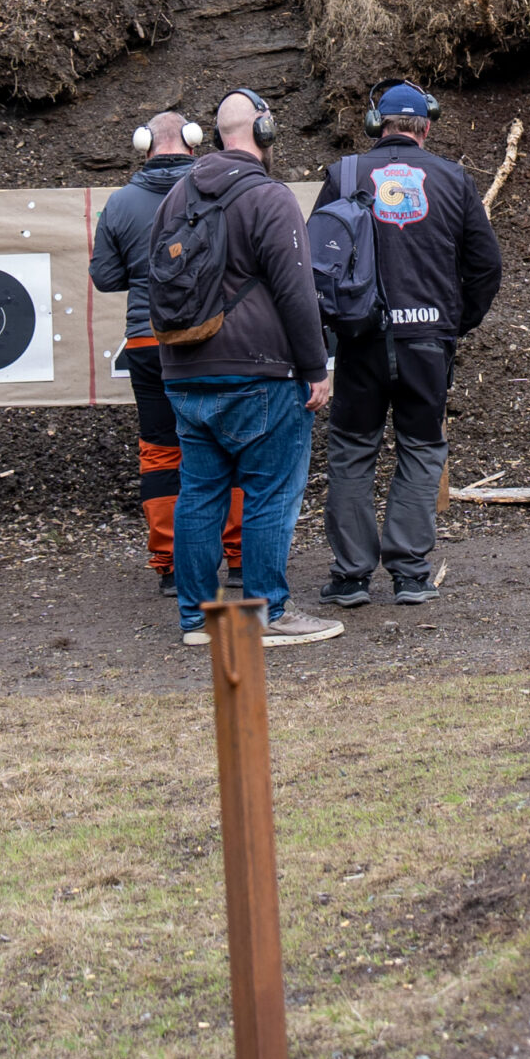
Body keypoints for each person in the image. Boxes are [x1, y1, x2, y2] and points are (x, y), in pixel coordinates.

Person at [154, 89, 342, 647]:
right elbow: (296, 291)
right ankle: (267, 615)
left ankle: (198, 621)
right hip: (261, 374)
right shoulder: (271, 197)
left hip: (186, 375)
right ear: (265, 131)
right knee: (267, 495)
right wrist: (316, 367)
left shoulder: (175, 196)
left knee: (199, 496)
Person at [314, 82, 504, 609]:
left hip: (360, 342)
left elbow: (316, 263)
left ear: (378, 123)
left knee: (352, 452)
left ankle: (352, 576)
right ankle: (411, 574)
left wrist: (333, 330)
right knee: (421, 451)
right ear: (428, 126)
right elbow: (486, 265)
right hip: (428, 340)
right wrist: (454, 322)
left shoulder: (344, 174)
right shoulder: (454, 179)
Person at [89, 111, 241, 599]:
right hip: (212, 339)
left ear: (143, 145)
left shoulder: (119, 204)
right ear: (195, 143)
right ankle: (239, 558)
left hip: (146, 341)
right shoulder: (222, 192)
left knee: (160, 451)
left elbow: (106, 278)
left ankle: (171, 565)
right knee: (233, 444)